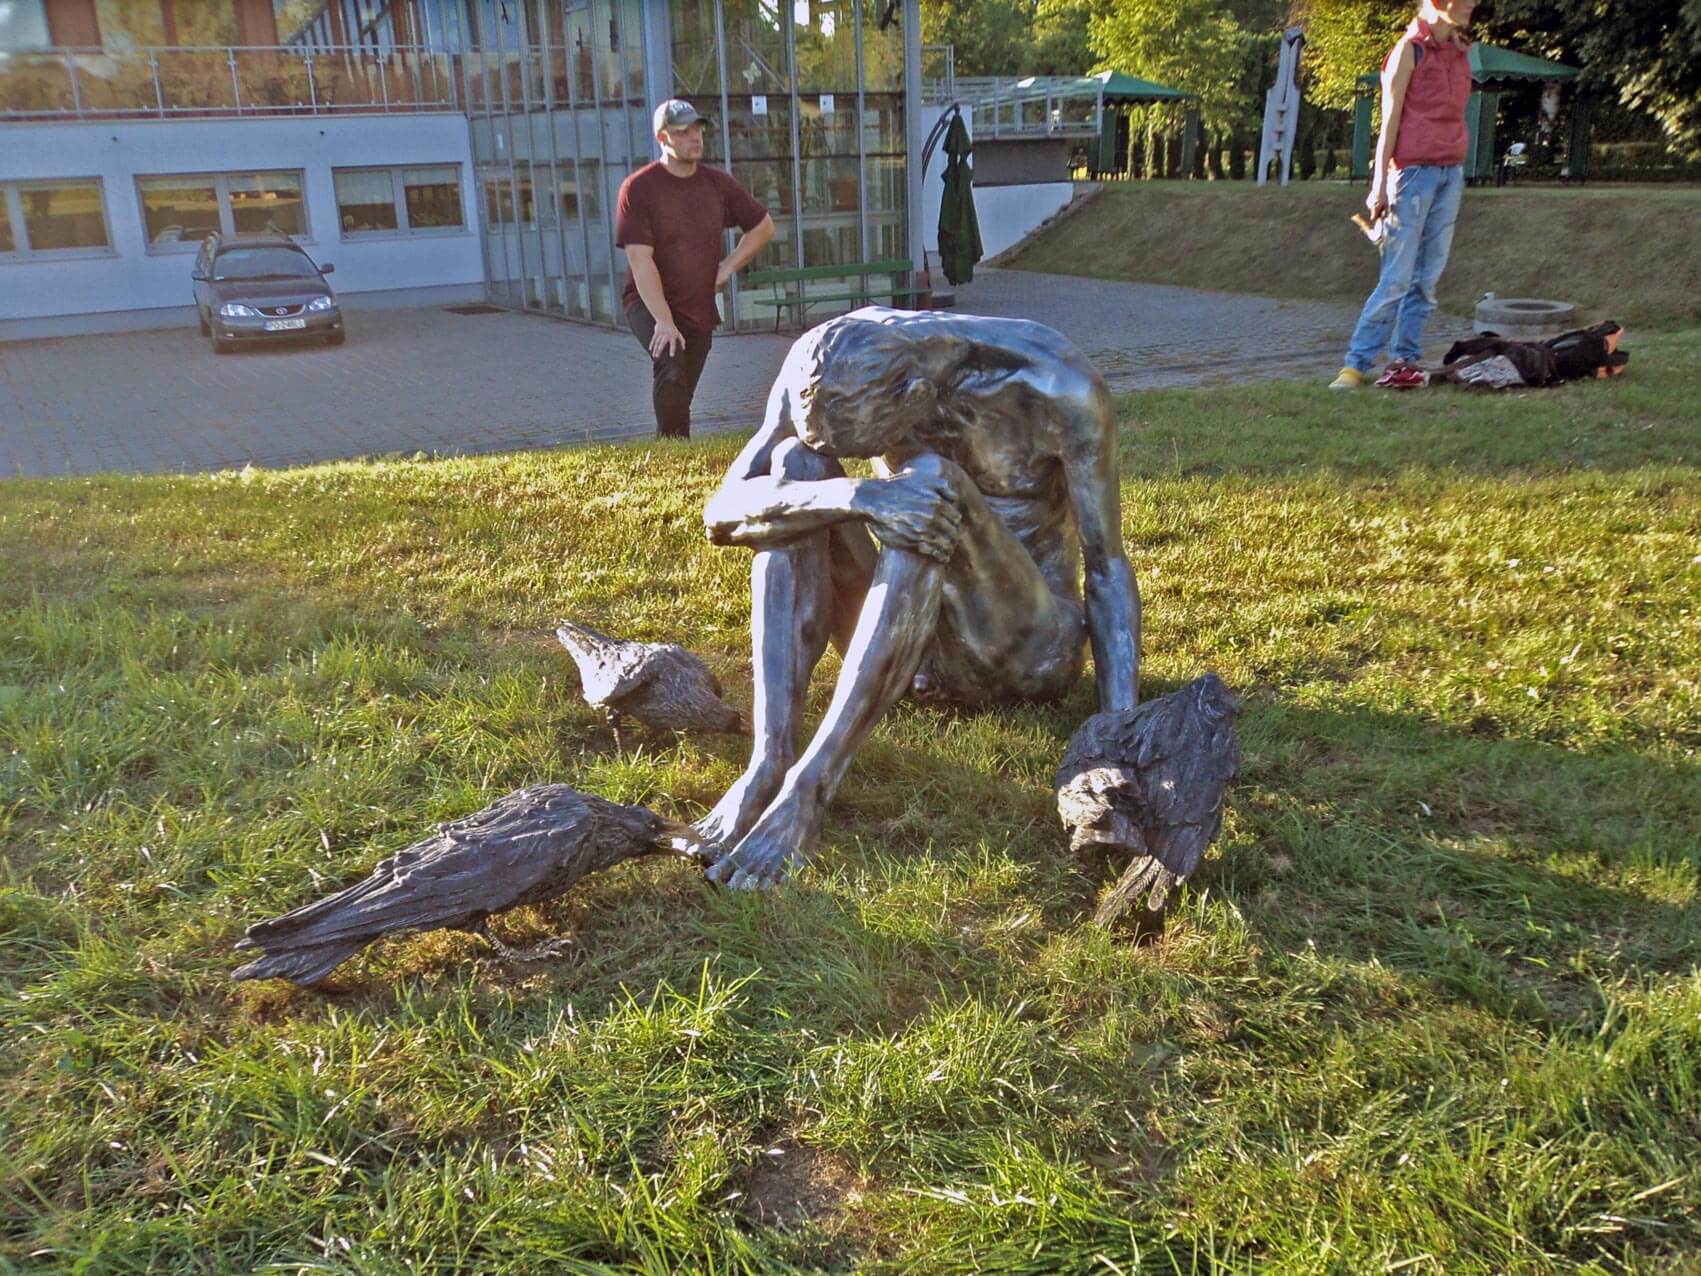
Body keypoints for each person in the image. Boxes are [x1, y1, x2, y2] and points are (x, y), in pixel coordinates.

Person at [696, 307, 1141, 889]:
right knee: (795, 465)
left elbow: (1107, 566)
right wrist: (856, 495)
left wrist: (1118, 733)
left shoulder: (1056, 384)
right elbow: (721, 514)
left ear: (918, 396)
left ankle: (811, 787)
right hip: (910, 638)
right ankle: (770, 762)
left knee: (931, 483)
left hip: (1026, 647)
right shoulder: (819, 361)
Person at [1331, 0, 1476, 389]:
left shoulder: (1461, 51)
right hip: (1412, 176)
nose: (1472, 4)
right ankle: (1356, 365)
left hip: (1450, 174)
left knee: (1427, 280)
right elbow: (1390, 122)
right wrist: (1378, 185)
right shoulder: (1407, 51)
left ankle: (1404, 362)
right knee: (1396, 279)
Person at [616, 99, 775, 437]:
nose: (695, 137)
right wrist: (663, 320)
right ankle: (676, 451)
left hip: (697, 304)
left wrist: (726, 268)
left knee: (681, 389)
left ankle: (670, 448)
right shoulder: (639, 188)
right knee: (671, 364)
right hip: (648, 301)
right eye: (683, 132)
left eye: (698, 129)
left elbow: (763, 227)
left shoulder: (718, 185)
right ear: (663, 138)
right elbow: (639, 260)